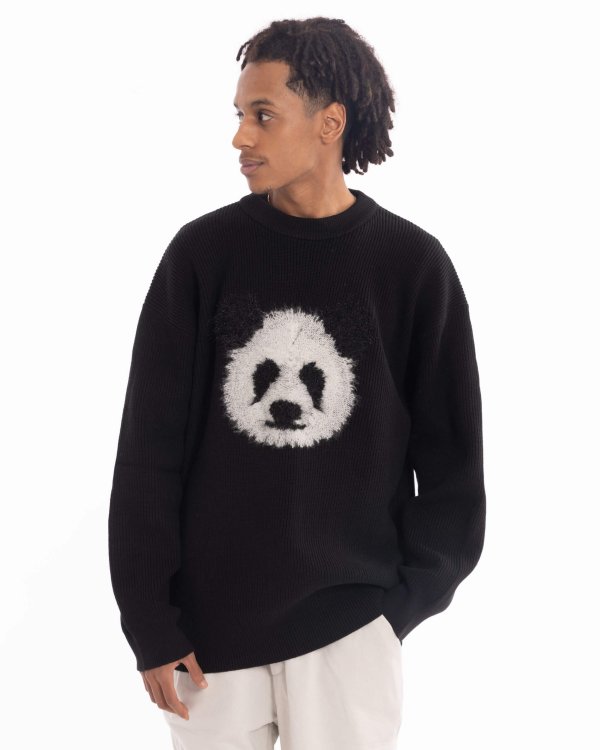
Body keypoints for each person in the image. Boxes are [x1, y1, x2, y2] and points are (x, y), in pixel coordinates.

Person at [108, 16, 486, 750]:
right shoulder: (201, 256)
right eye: (239, 114)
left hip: (350, 629)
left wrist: (399, 608)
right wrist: (149, 621)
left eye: (263, 115)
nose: (239, 137)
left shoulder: (412, 267)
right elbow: (149, 453)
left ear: (329, 123)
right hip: (207, 640)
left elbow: (453, 466)